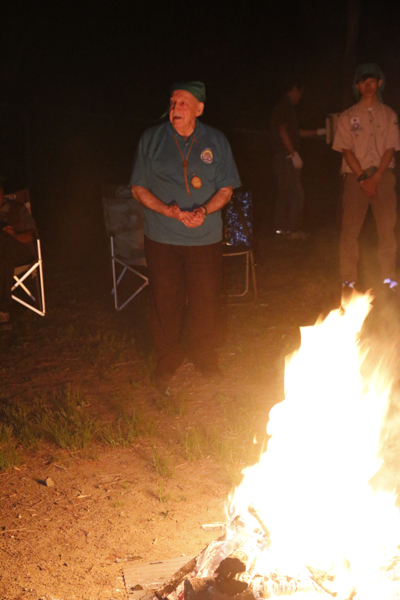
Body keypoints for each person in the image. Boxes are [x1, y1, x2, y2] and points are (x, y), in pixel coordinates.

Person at [130, 81, 241, 392]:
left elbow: (226, 189)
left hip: (204, 236)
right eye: (172, 102)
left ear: (198, 109)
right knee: (165, 299)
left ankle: (204, 355)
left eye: (182, 103)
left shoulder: (215, 141)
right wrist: (169, 212)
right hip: (162, 235)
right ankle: (167, 357)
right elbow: (138, 188)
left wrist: (203, 211)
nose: (175, 108)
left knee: (206, 298)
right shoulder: (152, 139)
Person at [332, 63, 400, 297]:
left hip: (382, 176)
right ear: (358, 86)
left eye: (372, 81)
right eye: (363, 82)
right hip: (355, 177)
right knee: (349, 231)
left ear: (379, 83)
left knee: (387, 229)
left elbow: (391, 148)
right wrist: (362, 178)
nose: (367, 85)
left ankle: (389, 278)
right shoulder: (348, 116)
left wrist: (378, 176)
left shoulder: (389, 115)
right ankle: (348, 280)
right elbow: (346, 149)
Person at [270, 77, 326, 240]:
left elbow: (295, 132)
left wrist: (319, 132)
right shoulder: (284, 106)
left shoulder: (285, 107)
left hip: (281, 157)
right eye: (300, 93)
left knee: (285, 192)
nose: (300, 97)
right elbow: (282, 131)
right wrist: (293, 153)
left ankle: (281, 229)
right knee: (296, 194)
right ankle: (293, 230)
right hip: (285, 157)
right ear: (293, 89)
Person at [0, 185, 38, 330]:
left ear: (2, 192)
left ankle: (3, 310)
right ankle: (3, 311)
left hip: (22, 252)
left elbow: (32, 235)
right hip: (4, 258)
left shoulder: (17, 209)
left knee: (5, 240)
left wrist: (13, 235)